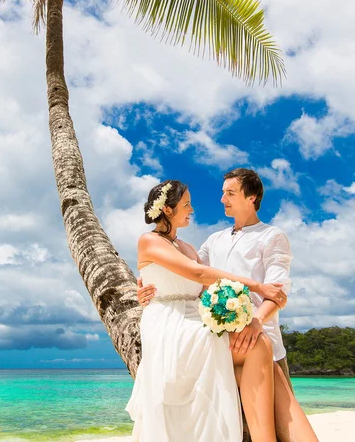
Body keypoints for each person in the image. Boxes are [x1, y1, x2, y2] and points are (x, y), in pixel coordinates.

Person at [137, 171, 319, 442]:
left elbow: (277, 293)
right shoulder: (213, 240)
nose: (222, 199)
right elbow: (194, 276)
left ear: (252, 197)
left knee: (286, 415)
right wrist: (147, 287)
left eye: (230, 193)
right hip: (220, 335)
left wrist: (256, 322)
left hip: (260, 335)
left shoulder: (271, 236)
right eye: (222, 192)